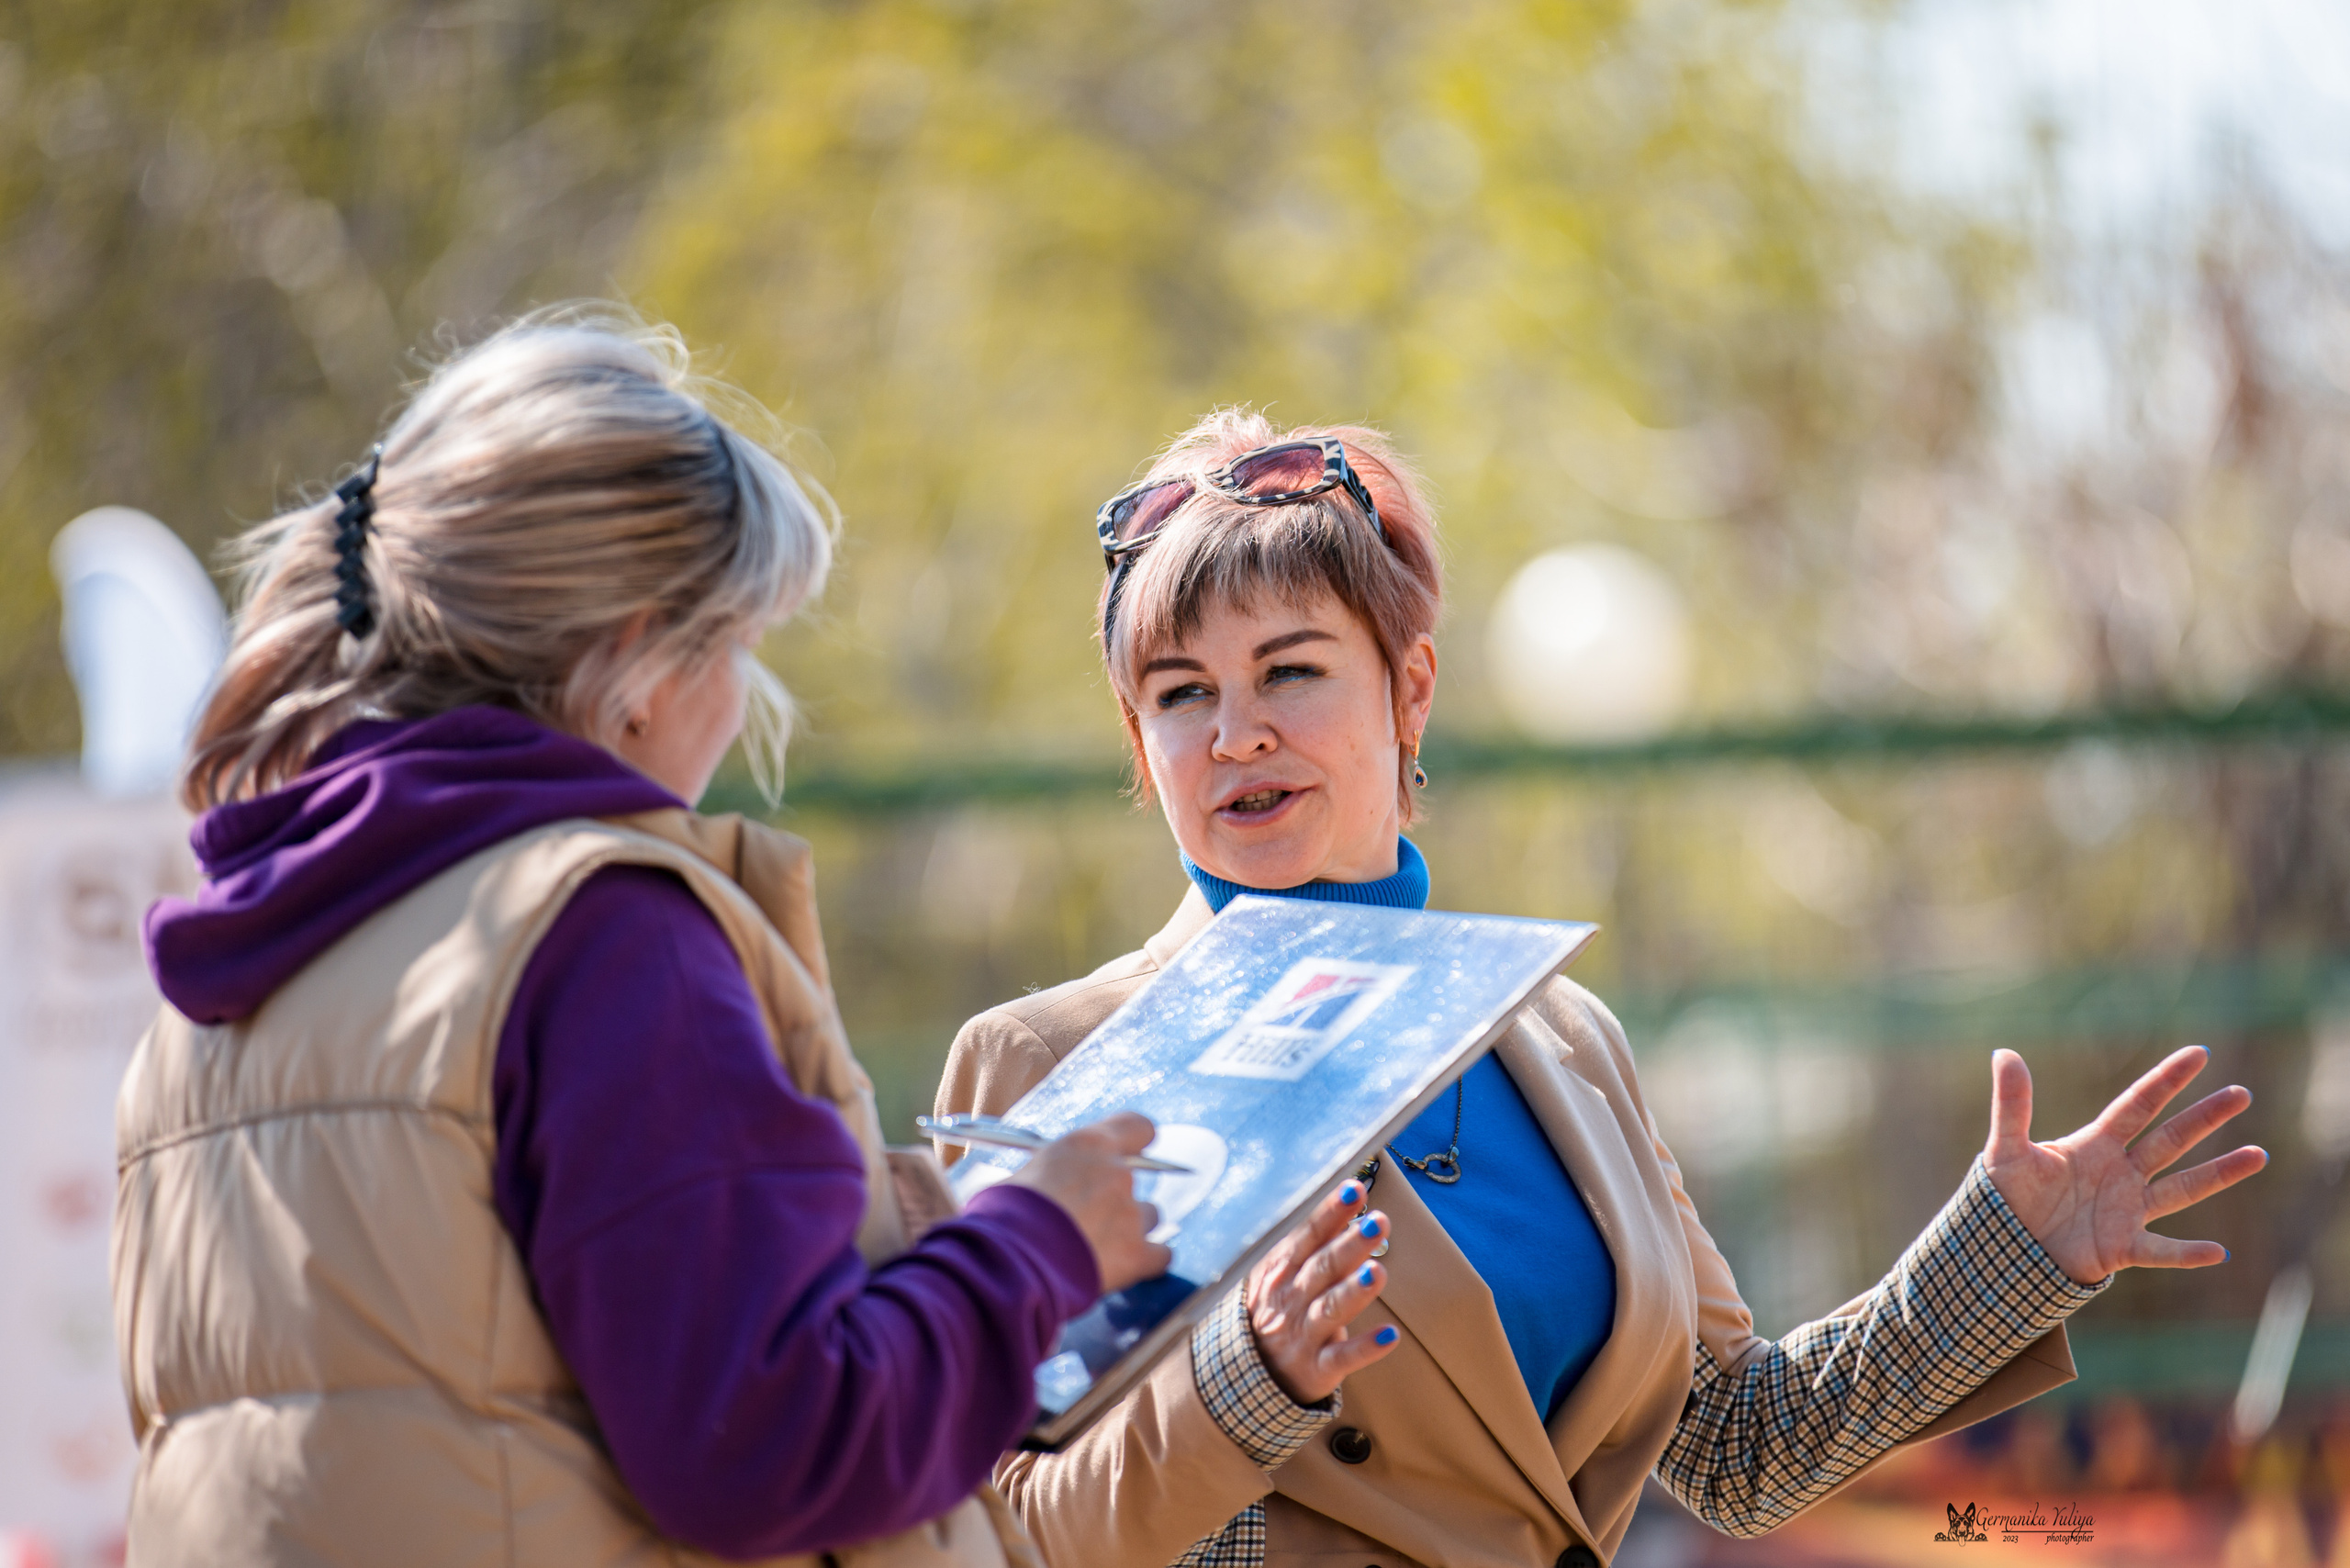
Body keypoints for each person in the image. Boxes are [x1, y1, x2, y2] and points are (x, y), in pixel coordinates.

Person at [933, 409, 2270, 1568]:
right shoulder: (1048, 1061)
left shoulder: (1558, 1036)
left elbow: (1739, 1451)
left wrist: (2012, 1252)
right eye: (1180, 693)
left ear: (1410, 690)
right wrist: (1250, 1384)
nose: (1235, 735)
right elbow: (1000, 1530)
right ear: (1138, 738)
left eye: (1290, 670)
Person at [115, 309, 1170, 1568]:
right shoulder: (601, 935)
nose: (739, 703)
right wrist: (1041, 1241)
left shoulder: (225, 992)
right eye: (734, 645)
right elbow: (771, 1443)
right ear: (634, 658)